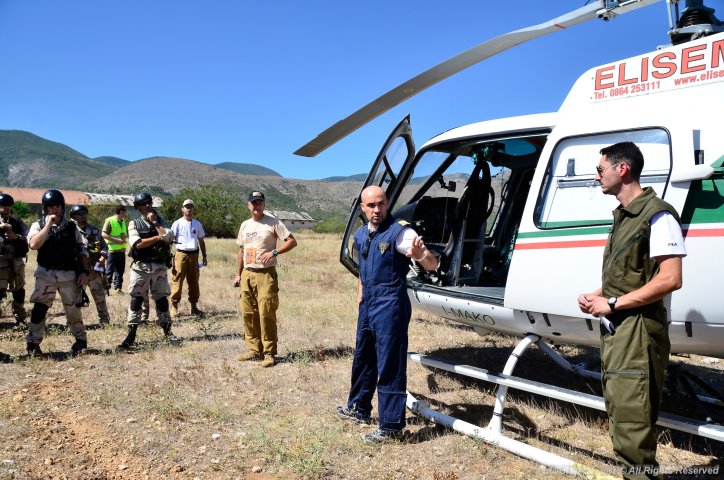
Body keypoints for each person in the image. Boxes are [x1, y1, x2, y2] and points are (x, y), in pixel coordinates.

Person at [577, 142, 686, 478]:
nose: (597, 176)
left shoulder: (657, 214)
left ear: (622, 169)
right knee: (623, 415)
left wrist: (611, 303)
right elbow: (632, 275)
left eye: (600, 169)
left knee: (633, 423)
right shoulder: (625, 216)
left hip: (638, 332)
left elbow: (670, 279)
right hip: (620, 331)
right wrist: (599, 293)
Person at [336, 185, 439, 444]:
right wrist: (361, 295)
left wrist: (421, 255)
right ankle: (359, 408)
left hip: (391, 304)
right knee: (363, 356)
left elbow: (433, 263)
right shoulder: (360, 235)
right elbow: (362, 268)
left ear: (387, 203)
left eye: (381, 203)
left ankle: (391, 425)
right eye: (371, 205)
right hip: (368, 305)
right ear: (362, 208)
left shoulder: (401, 232)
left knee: (389, 363)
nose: (377, 210)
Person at [233, 191, 297, 368]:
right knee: (248, 313)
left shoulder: (273, 222)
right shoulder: (245, 225)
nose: (257, 205)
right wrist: (238, 274)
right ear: (249, 205)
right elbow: (241, 251)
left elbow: (292, 241)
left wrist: (275, 252)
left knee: (265, 313)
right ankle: (254, 350)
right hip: (247, 273)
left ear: (264, 205)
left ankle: (269, 353)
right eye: (254, 203)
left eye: (260, 202)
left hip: (265, 274)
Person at [26, 189, 89, 355]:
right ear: (45, 208)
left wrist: (84, 272)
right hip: (46, 275)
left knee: (73, 309)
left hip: (68, 275)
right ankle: (33, 343)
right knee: (39, 309)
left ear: (62, 207)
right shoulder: (38, 225)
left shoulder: (71, 227)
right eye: (51, 206)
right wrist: (48, 225)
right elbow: (33, 245)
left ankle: (80, 340)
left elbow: (82, 250)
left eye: (57, 206)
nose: (54, 209)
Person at [119, 193, 176, 349]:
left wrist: (156, 223)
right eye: (143, 204)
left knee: (162, 300)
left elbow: (169, 236)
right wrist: (158, 238)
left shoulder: (161, 221)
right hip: (141, 267)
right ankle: (131, 335)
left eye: (149, 203)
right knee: (136, 300)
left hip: (159, 267)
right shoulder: (134, 224)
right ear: (138, 207)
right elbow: (137, 244)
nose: (147, 206)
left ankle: (168, 332)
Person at [70, 205, 111, 325]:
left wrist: (102, 258)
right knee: (75, 298)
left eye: (84, 214)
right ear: (74, 217)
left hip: (93, 270)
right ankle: (75, 322)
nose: (83, 216)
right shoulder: (71, 231)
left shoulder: (94, 231)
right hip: (77, 271)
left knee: (100, 297)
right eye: (79, 214)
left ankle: (105, 321)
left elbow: (105, 247)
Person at [170, 199, 207, 317]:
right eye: (186, 207)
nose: (189, 209)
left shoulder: (197, 224)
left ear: (193, 209)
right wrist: (168, 256)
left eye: (191, 207)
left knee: (194, 281)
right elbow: (170, 240)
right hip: (181, 254)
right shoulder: (177, 223)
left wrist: (204, 256)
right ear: (182, 209)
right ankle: (174, 307)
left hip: (194, 255)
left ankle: (194, 307)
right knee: (178, 279)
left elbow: (201, 240)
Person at [0, 193, 29, 325]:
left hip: (16, 260)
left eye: (8, 206)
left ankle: (20, 317)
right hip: (1, 261)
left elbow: (28, 237)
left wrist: (16, 237)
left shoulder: (16, 222)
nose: (6, 208)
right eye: (3, 205)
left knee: (19, 289)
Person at [102, 205, 128, 293]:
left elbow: (122, 234)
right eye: (125, 212)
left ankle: (118, 288)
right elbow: (104, 234)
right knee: (109, 271)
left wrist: (124, 238)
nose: (126, 214)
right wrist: (117, 240)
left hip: (121, 250)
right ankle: (106, 289)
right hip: (111, 250)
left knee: (120, 271)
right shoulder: (109, 220)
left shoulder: (123, 221)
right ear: (121, 212)